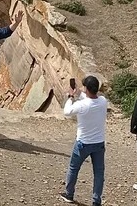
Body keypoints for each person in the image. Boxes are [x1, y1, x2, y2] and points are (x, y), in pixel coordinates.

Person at [60, 75, 108, 206]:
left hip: (83, 143)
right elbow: (90, 99)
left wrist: (70, 96)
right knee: (98, 173)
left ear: (87, 88)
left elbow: (67, 111)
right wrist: (79, 93)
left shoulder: (81, 105)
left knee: (73, 168)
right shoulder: (103, 101)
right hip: (99, 143)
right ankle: (96, 201)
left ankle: (69, 194)